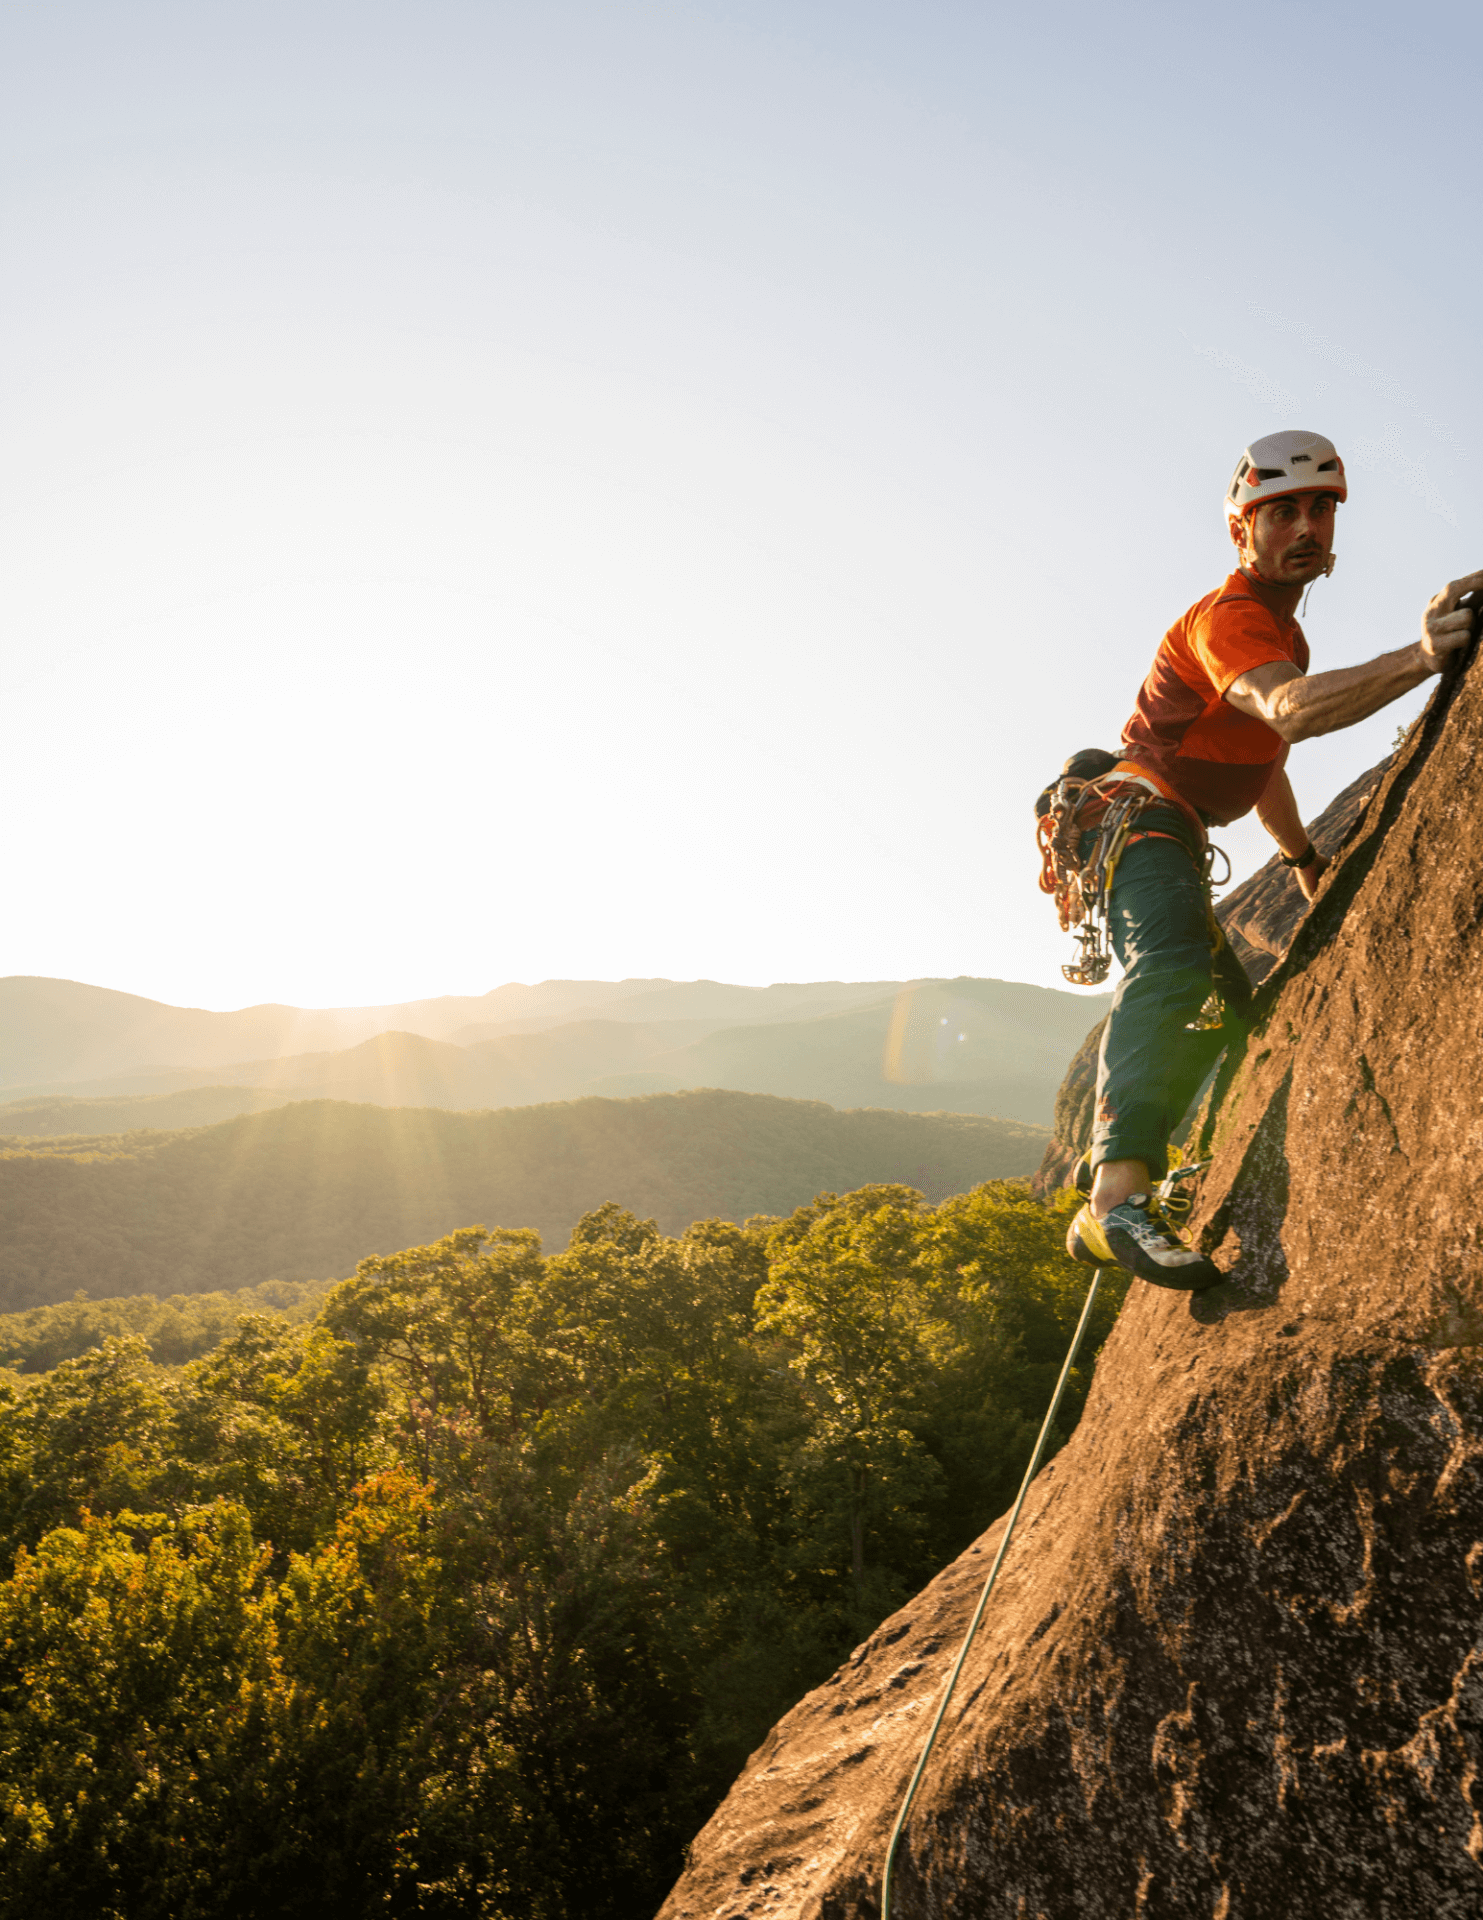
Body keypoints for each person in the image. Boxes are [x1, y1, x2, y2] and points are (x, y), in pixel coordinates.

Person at [1066, 429, 1482, 1289]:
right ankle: (1113, 1201)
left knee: (1229, 1013)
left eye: (1319, 511)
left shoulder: (1277, 634)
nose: (1305, 528)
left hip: (1171, 829)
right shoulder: (1230, 619)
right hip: (1139, 823)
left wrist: (1299, 857)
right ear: (1239, 530)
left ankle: (1143, 1169)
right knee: (1174, 966)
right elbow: (1288, 714)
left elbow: (1260, 765)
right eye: (1280, 512)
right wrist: (1424, 655)